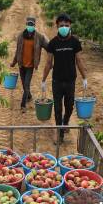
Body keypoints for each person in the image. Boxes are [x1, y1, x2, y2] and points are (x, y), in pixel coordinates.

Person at [41, 13, 88, 143]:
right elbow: (49, 63)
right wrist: (43, 80)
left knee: (69, 106)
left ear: (70, 26)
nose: (64, 27)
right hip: (57, 81)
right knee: (57, 109)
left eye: (66, 25)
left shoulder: (75, 42)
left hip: (70, 81)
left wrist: (84, 78)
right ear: (57, 26)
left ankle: (65, 121)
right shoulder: (53, 43)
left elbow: (79, 60)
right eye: (61, 25)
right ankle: (60, 134)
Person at [11, 16, 48, 112]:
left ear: (34, 25)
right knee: (24, 85)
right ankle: (29, 96)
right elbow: (18, 51)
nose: (30, 26)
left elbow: (48, 47)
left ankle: (23, 105)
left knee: (26, 84)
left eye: (32, 24)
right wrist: (14, 62)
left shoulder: (39, 37)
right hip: (21, 65)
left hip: (31, 65)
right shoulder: (20, 36)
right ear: (26, 24)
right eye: (29, 24)